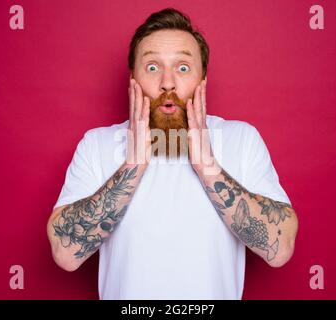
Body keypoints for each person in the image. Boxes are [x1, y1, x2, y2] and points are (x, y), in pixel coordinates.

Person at [47, 7, 298, 300]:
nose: (168, 82)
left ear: (202, 79)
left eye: (182, 67)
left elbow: (279, 251)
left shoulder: (241, 140)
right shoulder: (97, 144)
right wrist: (133, 164)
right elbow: (65, 254)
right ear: (133, 80)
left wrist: (207, 166)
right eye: (152, 67)